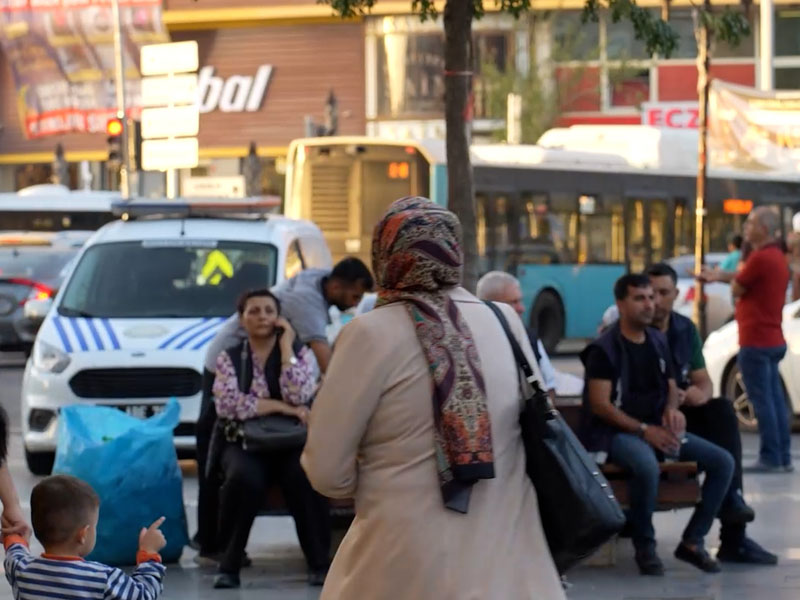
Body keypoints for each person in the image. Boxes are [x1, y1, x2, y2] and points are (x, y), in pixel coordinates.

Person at [301, 197, 565, 599]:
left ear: (385, 255)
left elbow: (325, 470)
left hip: (401, 563)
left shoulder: (368, 334)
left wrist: (384, 478)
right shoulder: (504, 320)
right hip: (509, 563)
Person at [193, 258, 373, 559]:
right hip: (232, 372)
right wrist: (350, 396)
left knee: (295, 472)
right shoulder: (305, 302)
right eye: (354, 296)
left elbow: (303, 386)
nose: (354, 304)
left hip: (271, 384)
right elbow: (326, 361)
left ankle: (315, 557)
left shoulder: (318, 279)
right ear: (337, 286)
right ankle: (214, 544)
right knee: (216, 463)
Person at [579, 273, 734, 576]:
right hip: (617, 434)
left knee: (722, 462)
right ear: (621, 304)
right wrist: (644, 431)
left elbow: (671, 384)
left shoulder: (658, 340)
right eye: (640, 298)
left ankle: (692, 542)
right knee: (646, 465)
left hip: (657, 429)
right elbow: (601, 405)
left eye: (652, 297)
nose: (649, 305)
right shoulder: (604, 349)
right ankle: (644, 546)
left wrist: (672, 410)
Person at [646, 263, 778, 565]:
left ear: (675, 294)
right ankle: (731, 520)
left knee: (720, 410)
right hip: (649, 421)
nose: (655, 301)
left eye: (663, 293)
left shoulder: (683, 328)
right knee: (720, 451)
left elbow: (703, 381)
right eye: (649, 294)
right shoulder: (632, 326)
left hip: (682, 416)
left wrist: (697, 394)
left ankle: (733, 521)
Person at [208, 289, 329, 589]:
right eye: (254, 311)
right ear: (242, 319)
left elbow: (302, 393)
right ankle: (229, 565)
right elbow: (228, 405)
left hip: (291, 440)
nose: (262, 317)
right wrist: (283, 407)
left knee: (304, 477)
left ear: (279, 318)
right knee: (242, 479)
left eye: (268, 311)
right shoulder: (230, 357)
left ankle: (319, 563)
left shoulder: (298, 352)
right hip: (245, 441)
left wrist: (286, 346)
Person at [701, 207, 791, 472]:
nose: (746, 228)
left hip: (756, 339)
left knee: (763, 401)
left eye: (751, 223)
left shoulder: (760, 257)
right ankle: (782, 456)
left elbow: (738, 286)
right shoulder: (776, 257)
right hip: (772, 337)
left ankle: (771, 457)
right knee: (774, 401)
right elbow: (741, 280)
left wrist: (724, 277)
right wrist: (722, 275)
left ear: (763, 228)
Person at [4, 475, 166, 600]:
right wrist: (148, 554)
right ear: (83, 534)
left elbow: (15, 550)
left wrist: (14, 536)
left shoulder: (21, 570)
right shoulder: (104, 579)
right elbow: (143, 595)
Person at [476, 270, 558, 401]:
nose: (522, 308)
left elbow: (549, 386)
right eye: (513, 302)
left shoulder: (530, 337)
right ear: (490, 304)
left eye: (520, 301)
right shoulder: (472, 339)